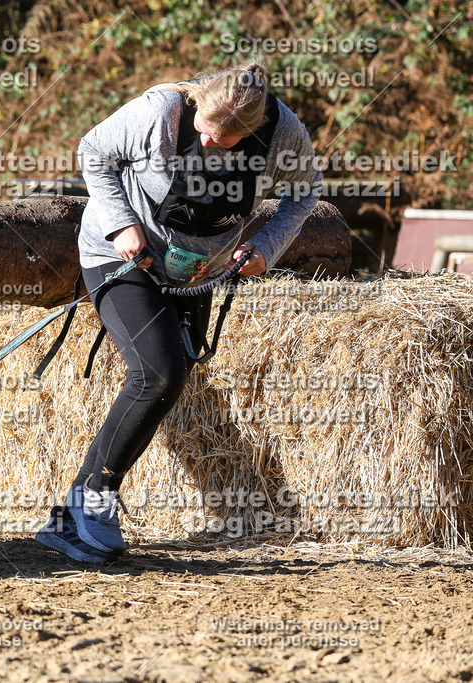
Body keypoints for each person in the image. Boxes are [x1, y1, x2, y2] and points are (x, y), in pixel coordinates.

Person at [36, 64, 322, 563]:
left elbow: (304, 193)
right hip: (121, 256)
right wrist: (122, 224)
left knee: (170, 375)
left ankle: (68, 518)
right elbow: (94, 153)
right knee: (158, 373)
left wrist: (267, 247)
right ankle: (97, 499)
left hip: (195, 272)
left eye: (225, 139)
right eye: (204, 133)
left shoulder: (284, 132)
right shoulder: (160, 111)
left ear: (253, 130)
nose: (210, 144)